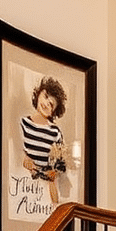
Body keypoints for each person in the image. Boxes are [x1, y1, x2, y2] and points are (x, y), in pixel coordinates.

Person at [20, 75, 69, 207]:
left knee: (53, 190)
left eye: (51, 104)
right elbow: (19, 150)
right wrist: (25, 159)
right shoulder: (24, 123)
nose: (46, 104)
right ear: (39, 93)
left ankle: (54, 208)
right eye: (46, 96)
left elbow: (61, 160)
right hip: (27, 182)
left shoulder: (55, 132)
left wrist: (55, 171)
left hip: (46, 182)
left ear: (54, 112)